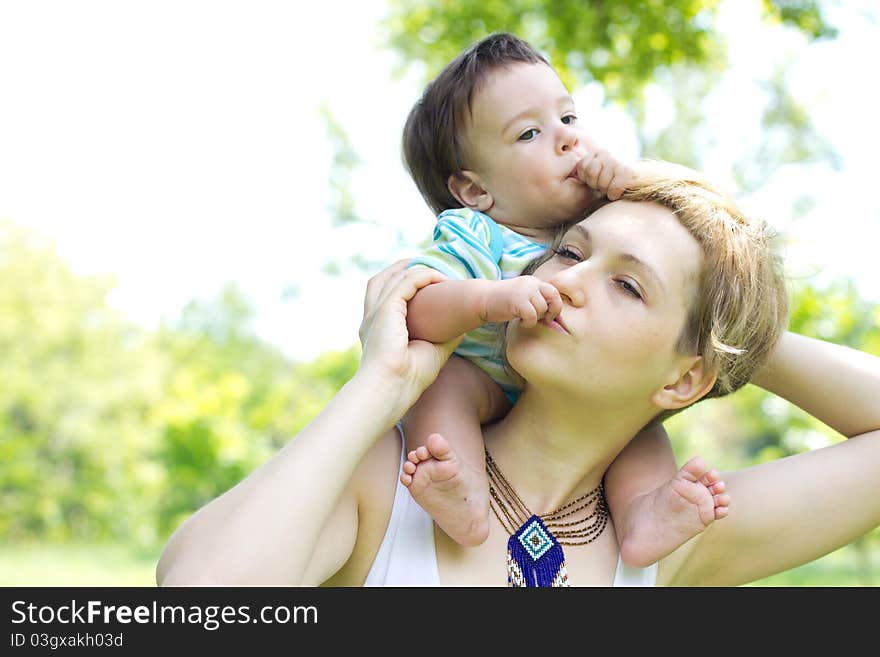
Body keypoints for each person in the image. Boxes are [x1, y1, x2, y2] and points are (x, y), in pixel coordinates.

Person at [155, 165, 880, 587]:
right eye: (569, 253)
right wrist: (381, 382)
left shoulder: (669, 540)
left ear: (683, 381)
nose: (567, 282)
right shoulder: (390, 480)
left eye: (628, 286)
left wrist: (737, 326)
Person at [399, 32, 718, 568]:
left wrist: (627, 181)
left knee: (641, 429)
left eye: (568, 119)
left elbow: (669, 242)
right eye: (529, 133)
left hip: (571, 404)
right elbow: (416, 311)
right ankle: (466, 492)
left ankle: (643, 515)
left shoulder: (594, 219)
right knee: (444, 385)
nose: (566, 140)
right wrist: (490, 300)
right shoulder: (475, 234)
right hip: (485, 379)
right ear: (476, 191)